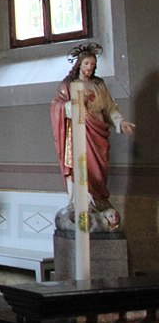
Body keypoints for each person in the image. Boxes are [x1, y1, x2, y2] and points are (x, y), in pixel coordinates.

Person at [50, 43, 135, 213]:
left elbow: (110, 108)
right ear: (80, 64)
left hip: (97, 133)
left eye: (93, 64)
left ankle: (98, 200)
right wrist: (71, 106)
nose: (90, 67)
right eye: (87, 63)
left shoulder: (99, 85)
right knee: (80, 165)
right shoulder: (68, 85)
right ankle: (80, 202)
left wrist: (121, 122)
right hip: (78, 132)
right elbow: (56, 106)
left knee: (98, 169)